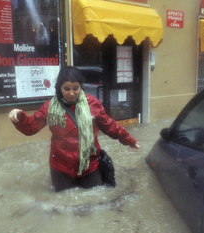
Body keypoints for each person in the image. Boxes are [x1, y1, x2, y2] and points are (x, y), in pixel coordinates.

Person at [9, 66, 140, 192]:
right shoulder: (49, 107)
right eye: (66, 88)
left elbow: (110, 126)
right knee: (63, 207)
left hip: (90, 166)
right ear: (59, 87)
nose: (71, 93)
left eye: (75, 88)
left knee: (95, 203)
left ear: (81, 86)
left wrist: (128, 139)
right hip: (60, 169)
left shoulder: (92, 104)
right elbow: (31, 127)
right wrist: (19, 117)